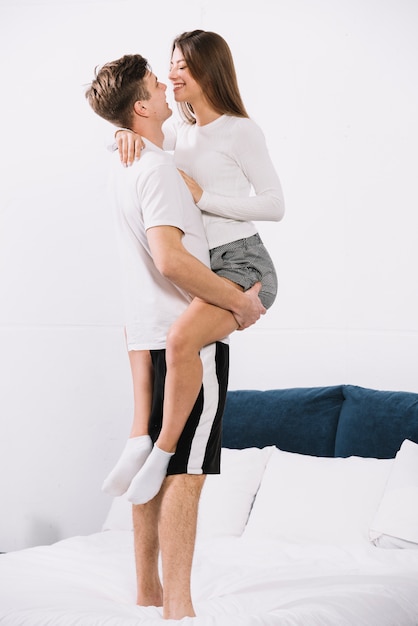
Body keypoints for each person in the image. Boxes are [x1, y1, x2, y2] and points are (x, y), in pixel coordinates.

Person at [85, 53, 264, 619]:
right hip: (184, 335)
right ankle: (179, 610)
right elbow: (170, 260)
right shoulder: (156, 167)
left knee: (149, 466)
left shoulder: (124, 161)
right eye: (155, 84)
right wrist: (237, 300)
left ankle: (148, 594)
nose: (166, 85)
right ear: (141, 107)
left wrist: (121, 134)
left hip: (144, 331)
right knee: (183, 472)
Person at [112, 30, 285, 505]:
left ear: (209, 69)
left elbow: (274, 204)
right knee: (138, 332)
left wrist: (202, 196)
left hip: (245, 262)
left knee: (180, 339)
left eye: (182, 66)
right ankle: (138, 439)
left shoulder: (240, 130)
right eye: (170, 65)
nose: (171, 75)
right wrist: (122, 131)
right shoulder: (178, 135)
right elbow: (144, 134)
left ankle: (162, 450)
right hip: (207, 268)